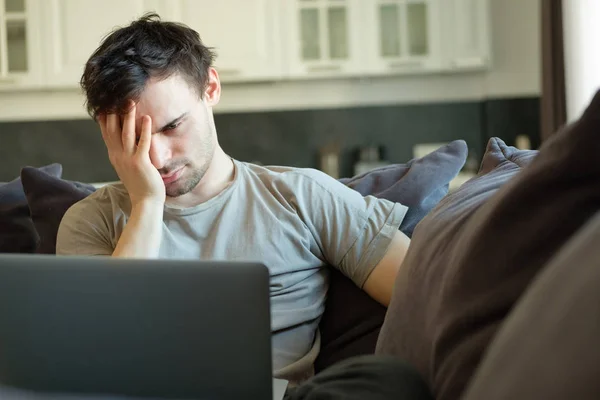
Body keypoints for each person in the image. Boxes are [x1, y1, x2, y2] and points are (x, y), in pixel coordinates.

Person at [56, 12, 411, 388]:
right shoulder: (89, 221)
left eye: (172, 126)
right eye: (136, 139)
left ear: (210, 88)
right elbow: (94, 351)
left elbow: (425, 290)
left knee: (387, 382)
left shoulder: (302, 196)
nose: (157, 158)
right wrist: (146, 203)